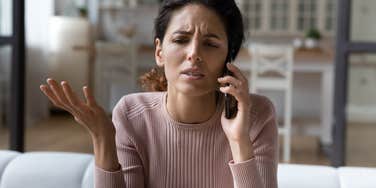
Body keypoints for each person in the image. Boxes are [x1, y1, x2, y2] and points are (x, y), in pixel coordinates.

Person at [40, 0, 278, 187]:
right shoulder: (131, 115)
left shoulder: (256, 115)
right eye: (181, 39)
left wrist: (239, 141)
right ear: (159, 51)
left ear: (228, 57)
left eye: (210, 44)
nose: (193, 53)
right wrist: (103, 139)